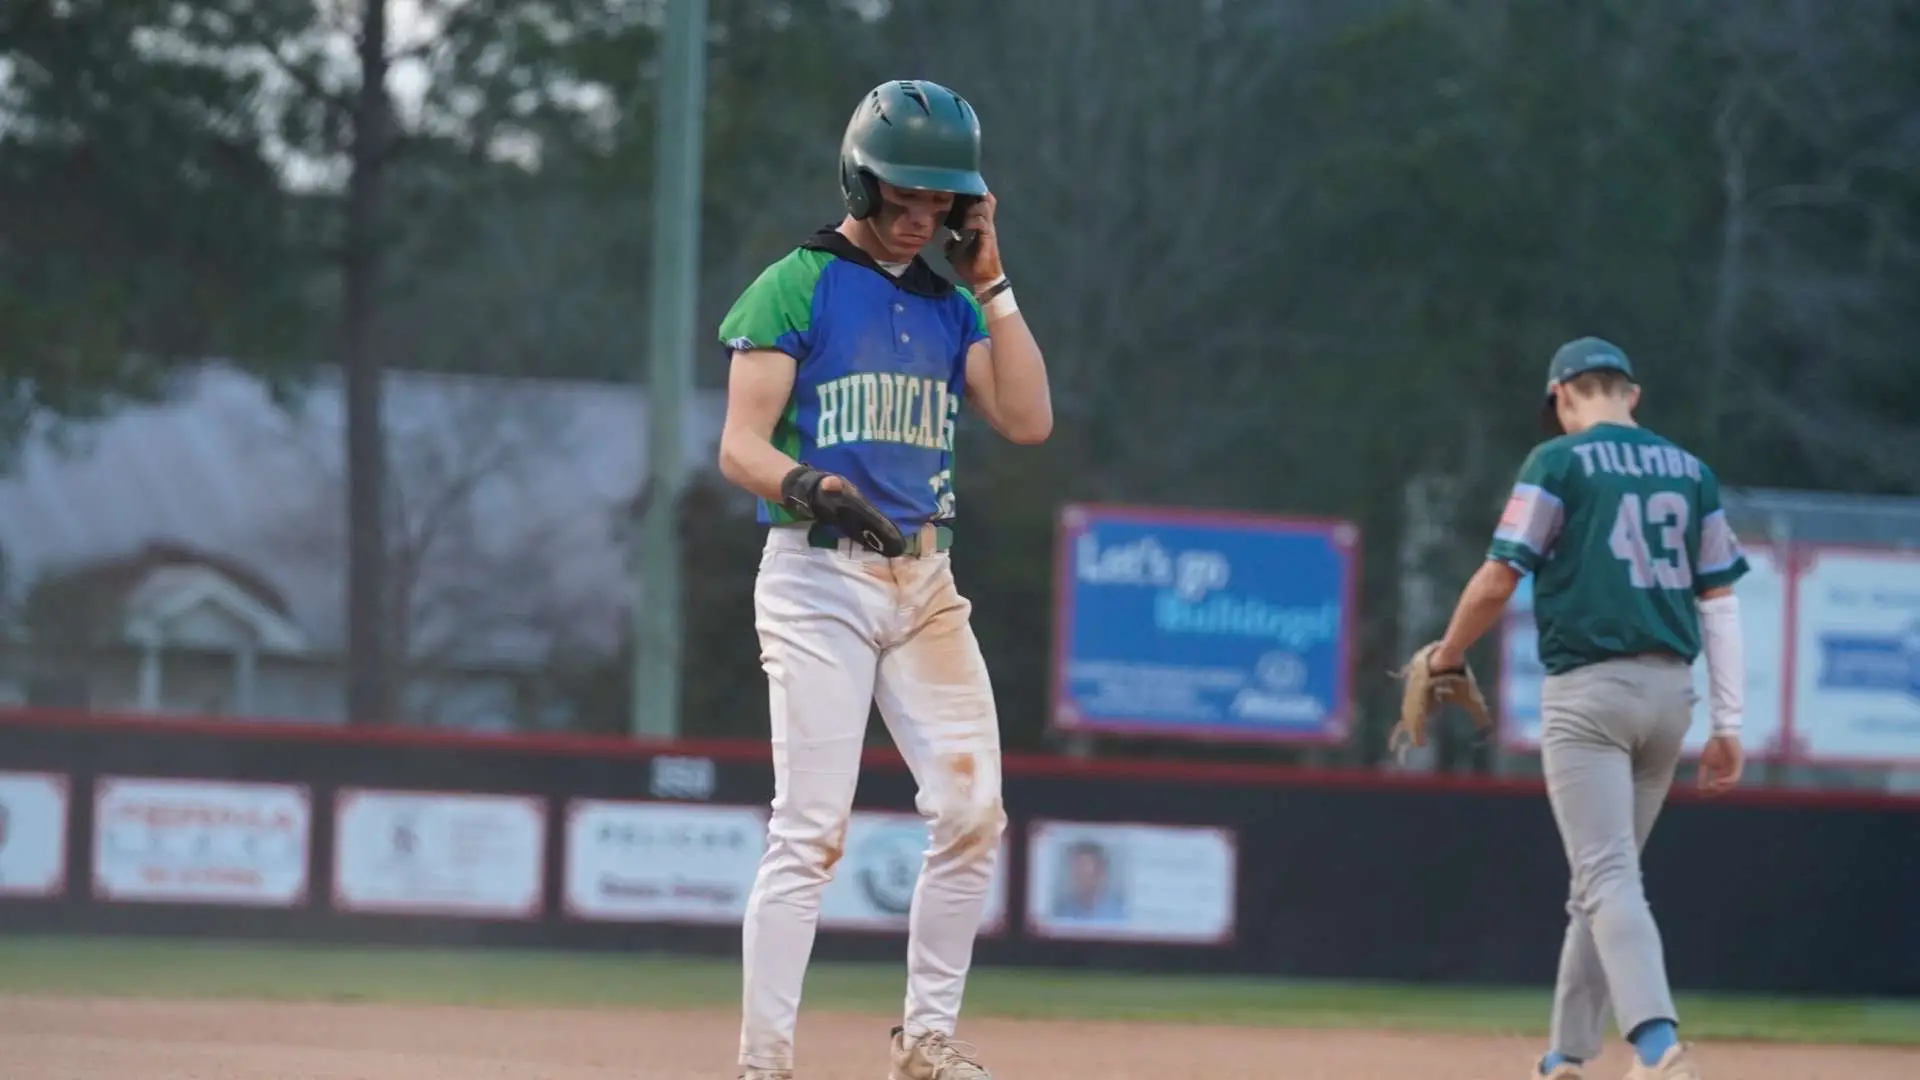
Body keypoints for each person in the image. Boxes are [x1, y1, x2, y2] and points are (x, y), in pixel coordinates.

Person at [715, 78, 1053, 1080]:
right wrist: (811, 485)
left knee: (973, 813)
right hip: (817, 578)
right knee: (811, 831)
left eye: (939, 201)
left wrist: (994, 282)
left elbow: (1028, 419)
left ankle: (926, 1041)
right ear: (860, 182)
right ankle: (764, 1064)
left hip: (925, 586)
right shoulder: (798, 282)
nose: (919, 218)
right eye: (903, 197)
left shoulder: (953, 306)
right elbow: (738, 446)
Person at [1421, 338, 1747, 1080]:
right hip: (1671, 698)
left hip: (1590, 696)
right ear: (1633, 394)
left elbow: (1499, 579)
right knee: (1599, 882)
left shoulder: (1558, 462)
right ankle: (1567, 1054)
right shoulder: (1691, 471)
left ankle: (1657, 1044)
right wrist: (1729, 724)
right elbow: (1720, 603)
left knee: (1605, 876)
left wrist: (1446, 654)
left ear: (1563, 396)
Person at [1052, 839, 1126, 921]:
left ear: (1101, 872)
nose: (1078, 876)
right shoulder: (1063, 909)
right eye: (1076, 868)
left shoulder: (1120, 909)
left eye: (1084, 868)